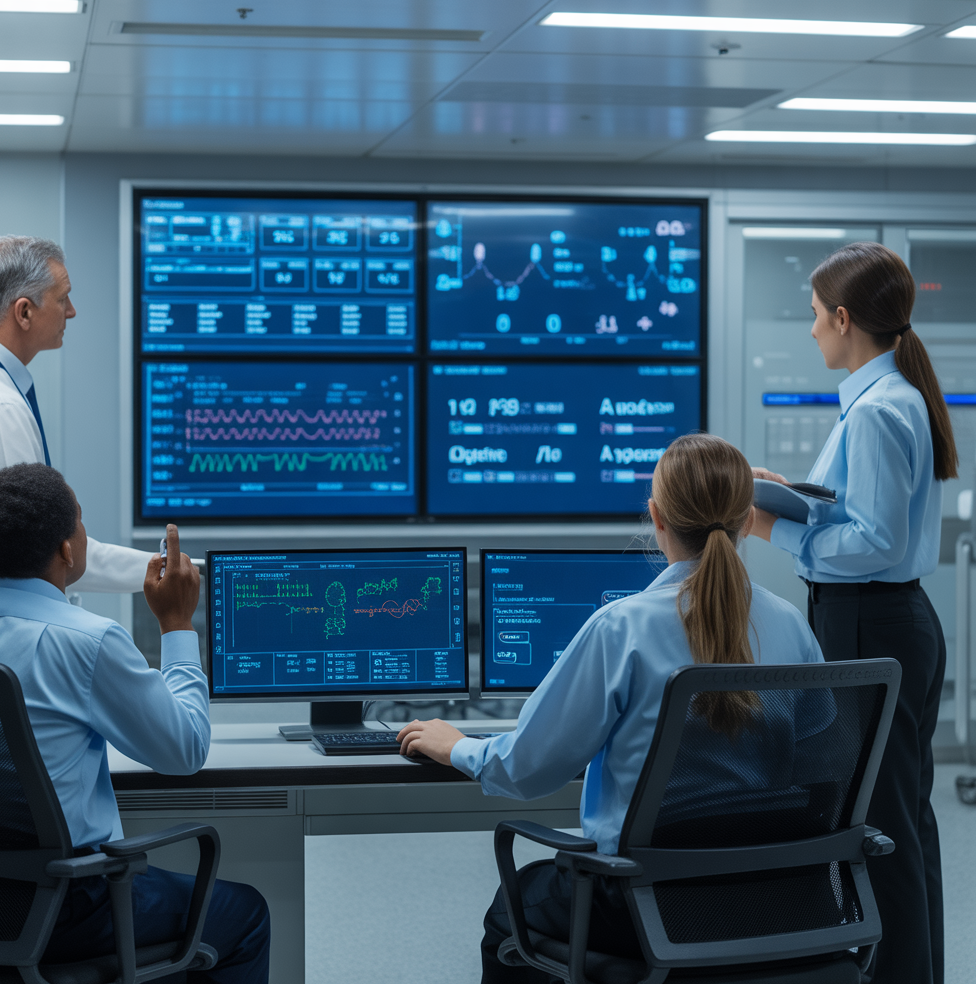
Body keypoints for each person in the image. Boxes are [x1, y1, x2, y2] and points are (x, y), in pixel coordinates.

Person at [398, 434, 825, 983]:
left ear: (656, 517)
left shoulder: (622, 627)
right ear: (748, 520)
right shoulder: (791, 624)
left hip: (644, 904)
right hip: (770, 894)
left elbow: (526, 769)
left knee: (511, 912)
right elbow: (817, 762)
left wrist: (457, 746)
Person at [0, 463, 270, 982]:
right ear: (67, 551)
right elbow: (185, 750)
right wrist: (176, 624)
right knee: (246, 914)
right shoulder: (86, 641)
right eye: (80, 523)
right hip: (64, 907)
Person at [748, 241, 953, 984]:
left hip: (869, 618)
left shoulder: (878, 411)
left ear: (843, 319)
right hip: (890, 619)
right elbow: (864, 517)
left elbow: (873, 542)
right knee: (900, 814)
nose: (809, 332)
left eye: (813, 317)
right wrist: (797, 497)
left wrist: (773, 526)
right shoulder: (889, 399)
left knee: (881, 823)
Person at [0, 235, 153, 589]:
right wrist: (168, 572)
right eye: (63, 299)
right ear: (24, 312)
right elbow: (38, 554)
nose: (71, 311)